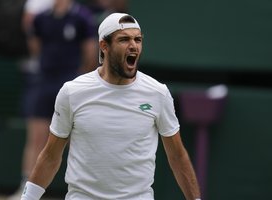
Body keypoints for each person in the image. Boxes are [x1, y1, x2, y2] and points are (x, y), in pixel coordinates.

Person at [21, 13, 201, 200]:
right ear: (104, 46)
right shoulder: (72, 92)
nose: (133, 46)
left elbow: (178, 157)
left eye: (138, 39)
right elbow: (51, 156)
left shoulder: (158, 93)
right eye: (124, 39)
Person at [9, 0, 98, 199]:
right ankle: (26, 188)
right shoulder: (41, 18)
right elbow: (35, 47)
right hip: (44, 83)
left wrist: (80, 80)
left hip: (71, 85)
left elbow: (90, 52)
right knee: (36, 138)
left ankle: (86, 190)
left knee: (80, 139)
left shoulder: (82, 17)